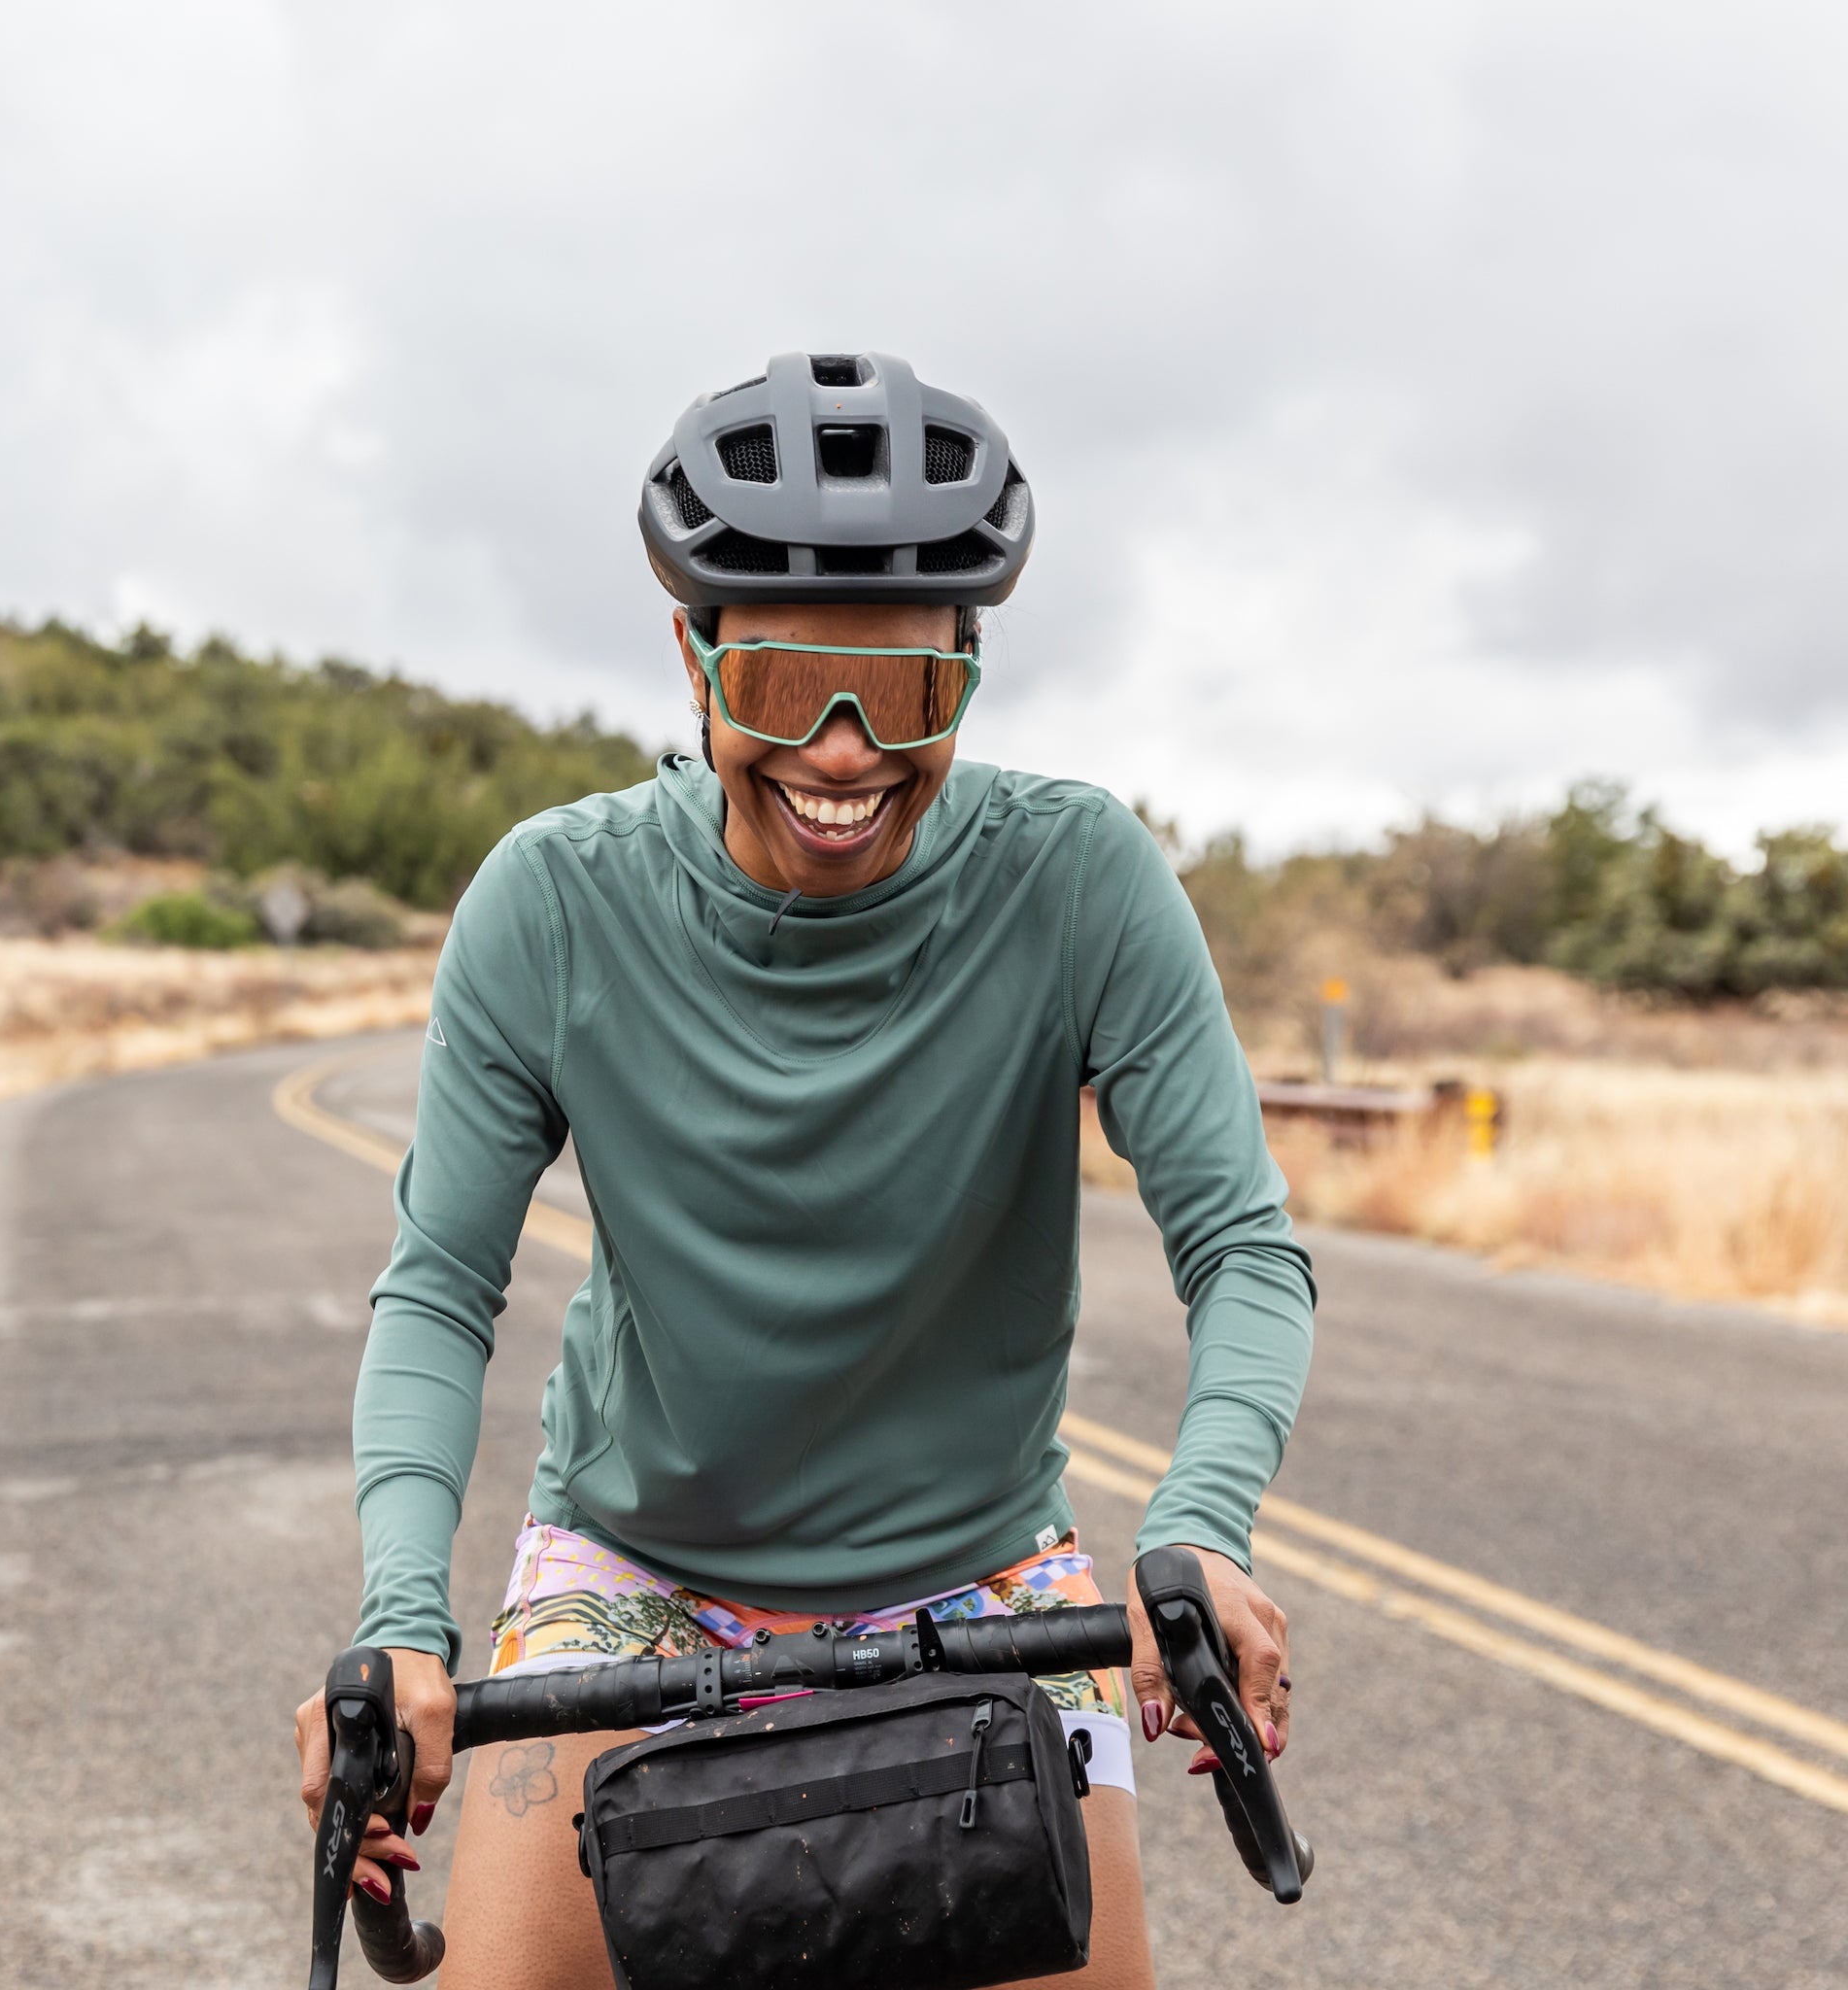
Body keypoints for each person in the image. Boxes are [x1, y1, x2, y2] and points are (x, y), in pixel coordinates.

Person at [296, 351, 1315, 1990]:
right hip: (639, 1576)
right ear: (693, 658)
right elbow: (438, 1291)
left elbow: (1244, 1250)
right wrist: (404, 1625)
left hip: (982, 1574)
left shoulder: (1082, 883)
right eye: (783, 688)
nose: (841, 755)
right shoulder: (550, 904)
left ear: (967, 679)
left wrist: (1200, 1526)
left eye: (902, 696)